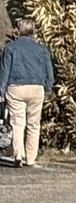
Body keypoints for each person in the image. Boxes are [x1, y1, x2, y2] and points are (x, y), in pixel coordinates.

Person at [0, 19, 55, 168]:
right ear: (34, 31)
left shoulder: (10, 48)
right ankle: (30, 158)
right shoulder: (42, 49)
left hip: (15, 87)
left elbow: (5, 70)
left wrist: (2, 90)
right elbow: (48, 71)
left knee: (18, 122)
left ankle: (18, 154)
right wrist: (48, 88)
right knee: (34, 123)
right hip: (36, 88)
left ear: (18, 31)